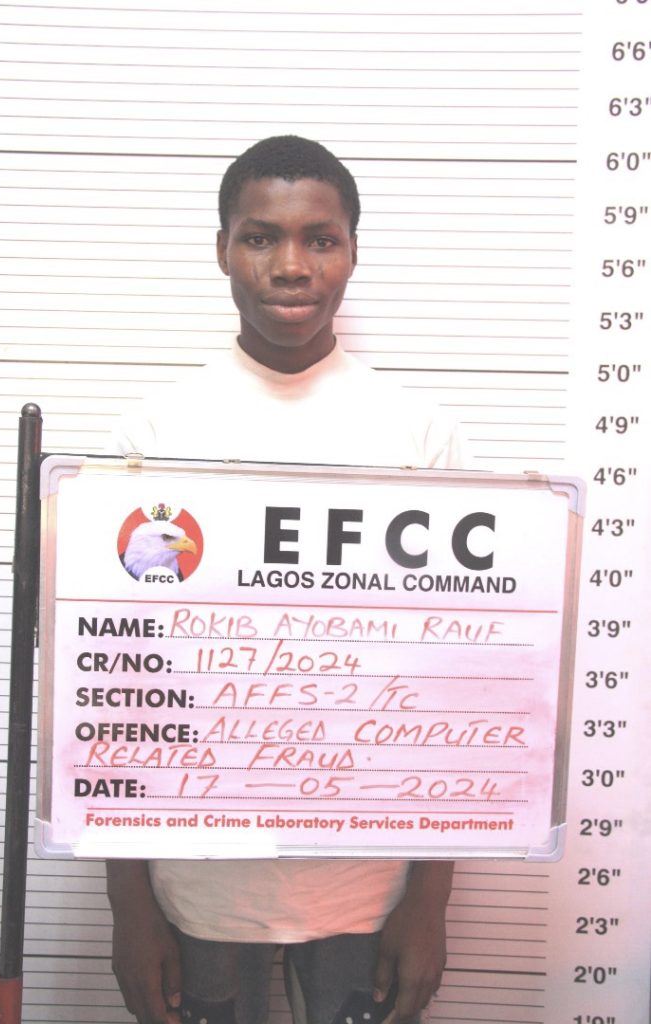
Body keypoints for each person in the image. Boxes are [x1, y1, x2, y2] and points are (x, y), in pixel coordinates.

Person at [108, 136, 459, 1024]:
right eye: (260, 237)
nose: (292, 265)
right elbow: (115, 685)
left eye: (320, 238)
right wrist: (128, 906)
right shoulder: (156, 431)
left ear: (352, 252)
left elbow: (454, 692)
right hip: (195, 887)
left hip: (367, 887)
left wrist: (430, 903)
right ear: (222, 248)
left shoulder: (418, 436)